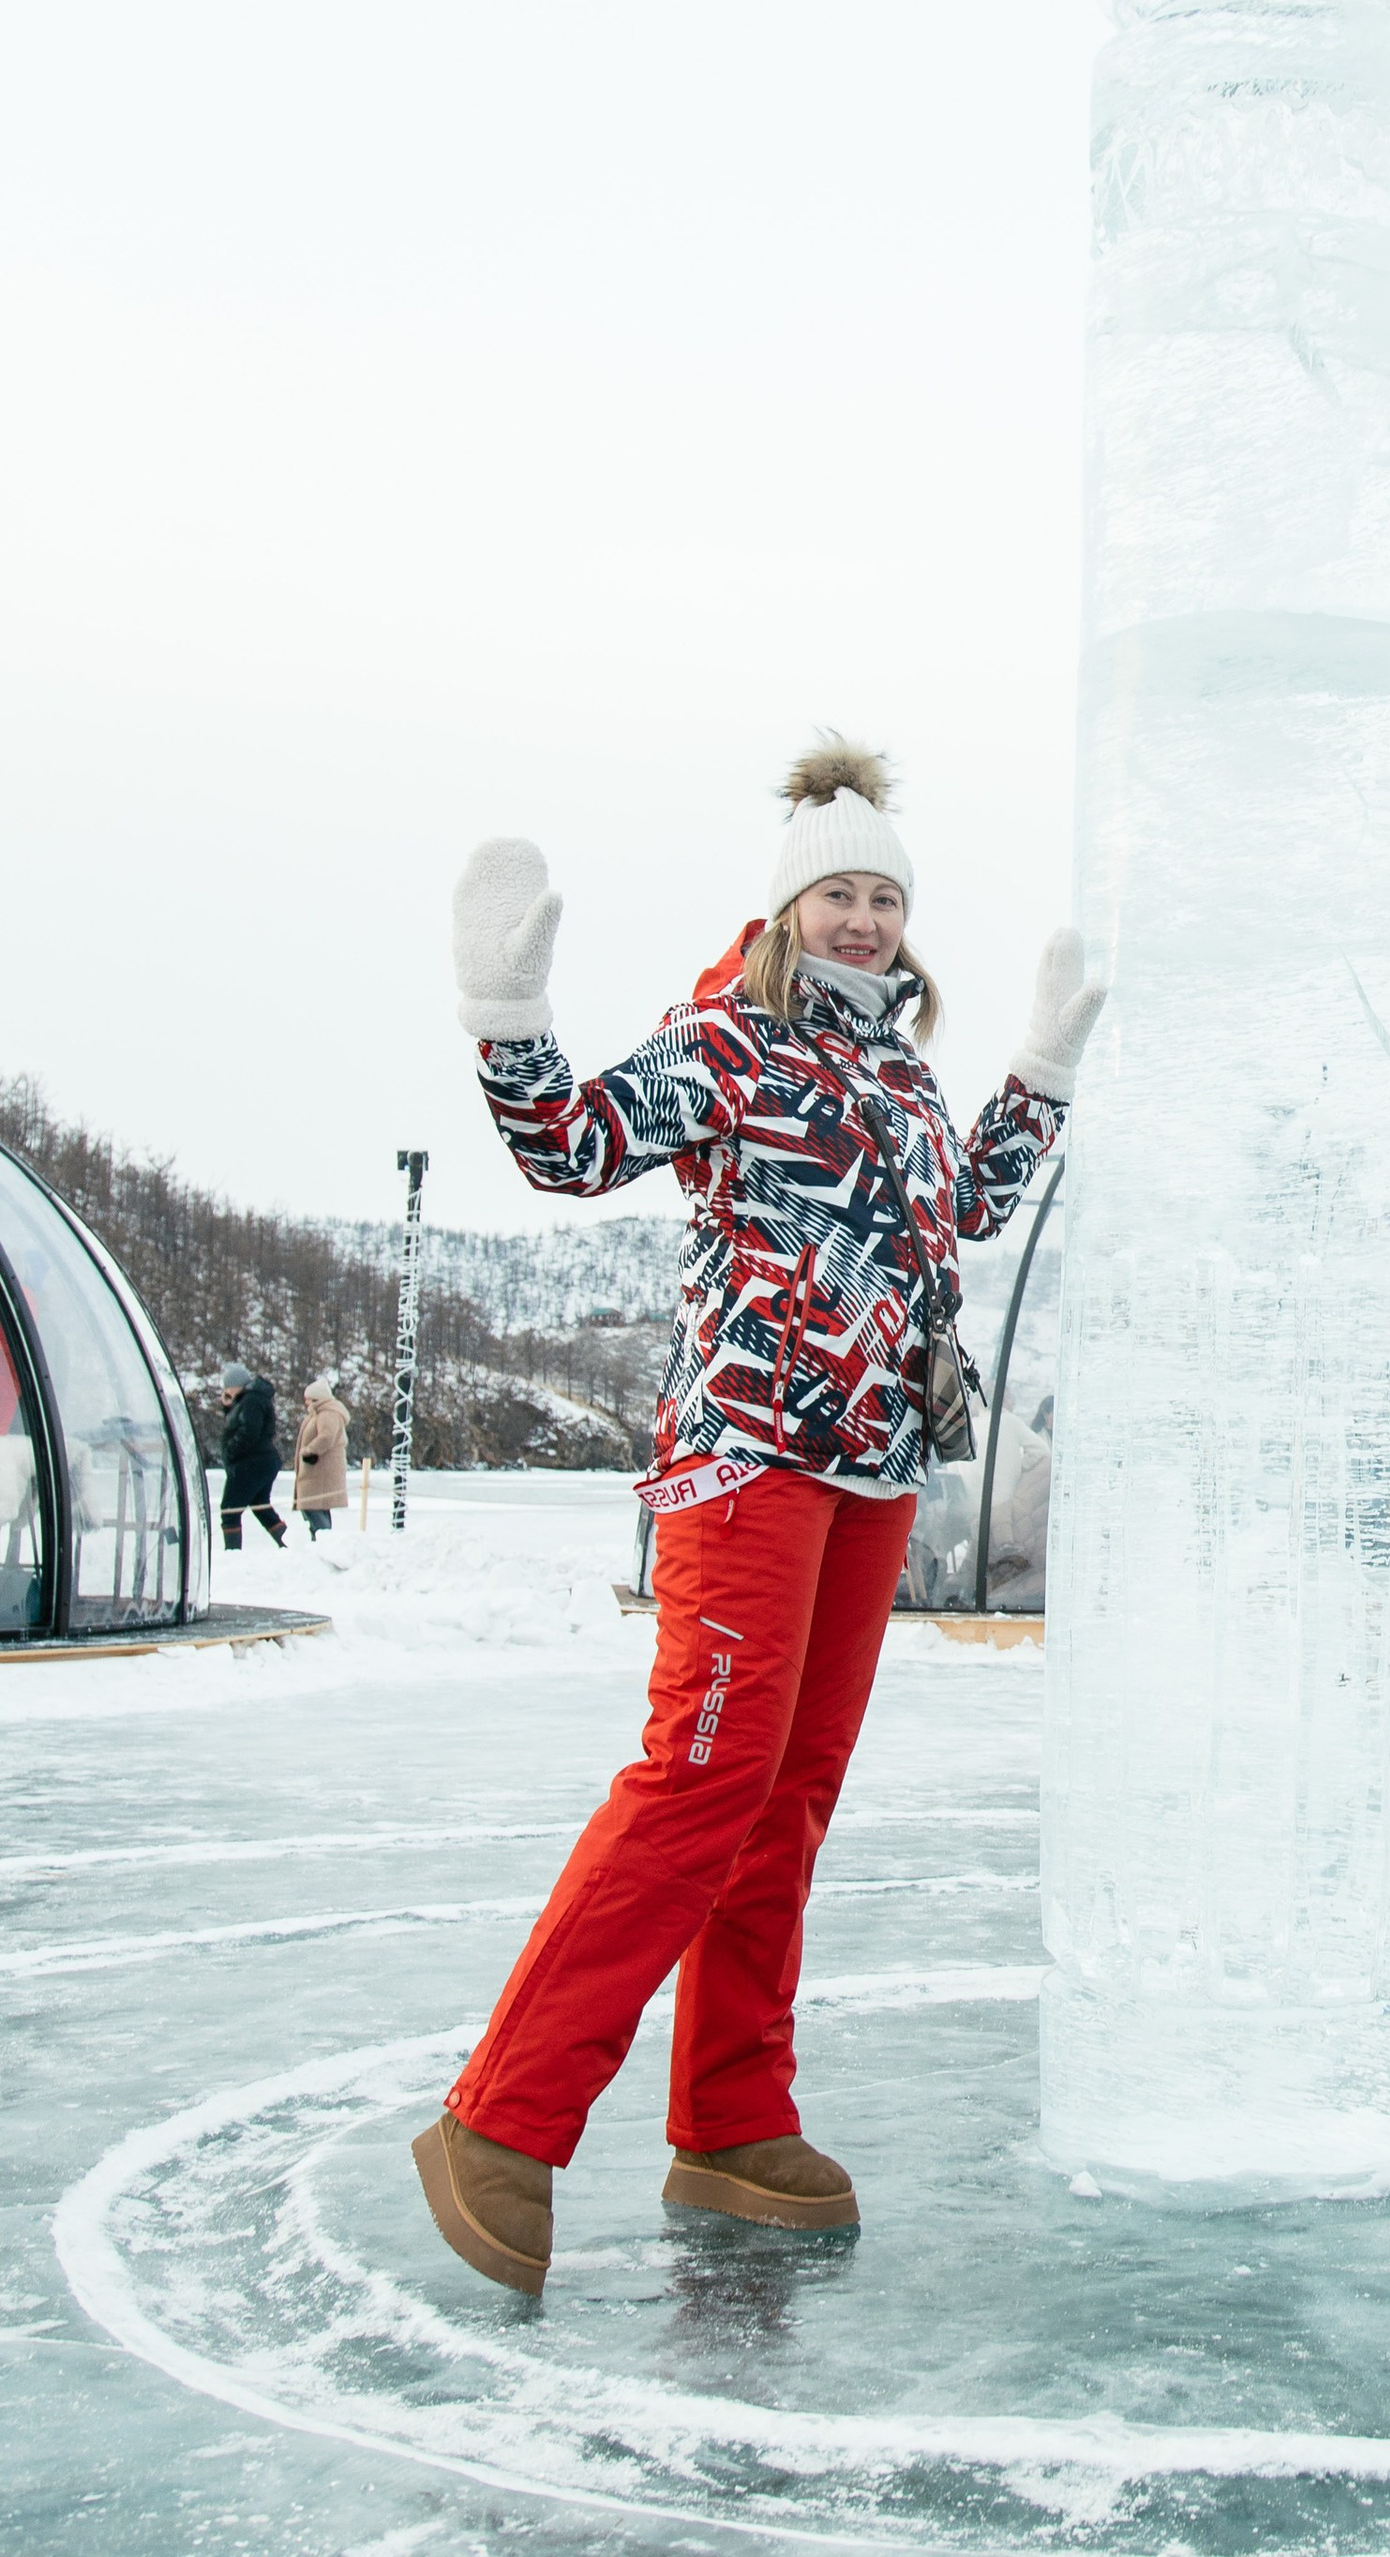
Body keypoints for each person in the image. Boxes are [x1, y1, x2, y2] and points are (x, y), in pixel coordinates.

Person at [411, 740, 1104, 2300]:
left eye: (883, 897)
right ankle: (501, 2120)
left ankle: (732, 2114)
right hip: (747, 1457)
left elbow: (966, 1210)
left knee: (789, 1795)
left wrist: (1042, 1068)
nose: (863, 921)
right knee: (703, 1777)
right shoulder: (732, 1039)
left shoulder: (901, 1069)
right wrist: (505, 1014)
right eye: (837, 895)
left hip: (870, 1473)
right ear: (789, 910)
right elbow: (569, 1148)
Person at [215, 1364, 288, 1552]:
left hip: (251, 1462)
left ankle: (232, 1553)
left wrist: (230, 1450)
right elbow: (236, 1424)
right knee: (259, 1504)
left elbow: (249, 1431)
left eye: (228, 1387)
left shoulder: (251, 1400)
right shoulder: (250, 1399)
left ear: (237, 1385)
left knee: (229, 1509)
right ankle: (286, 1541)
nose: (226, 1391)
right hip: (262, 1460)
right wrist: (228, 1405)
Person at [293, 1376, 351, 1537]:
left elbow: (326, 1437)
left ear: (317, 1399)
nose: (306, 1402)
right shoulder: (319, 1413)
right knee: (316, 1508)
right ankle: (320, 1543)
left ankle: (324, 1543)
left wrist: (309, 1450)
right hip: (317, 1474)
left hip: (321, 1473)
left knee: (312, 1507)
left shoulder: (328, 1414)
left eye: (308, 1399)